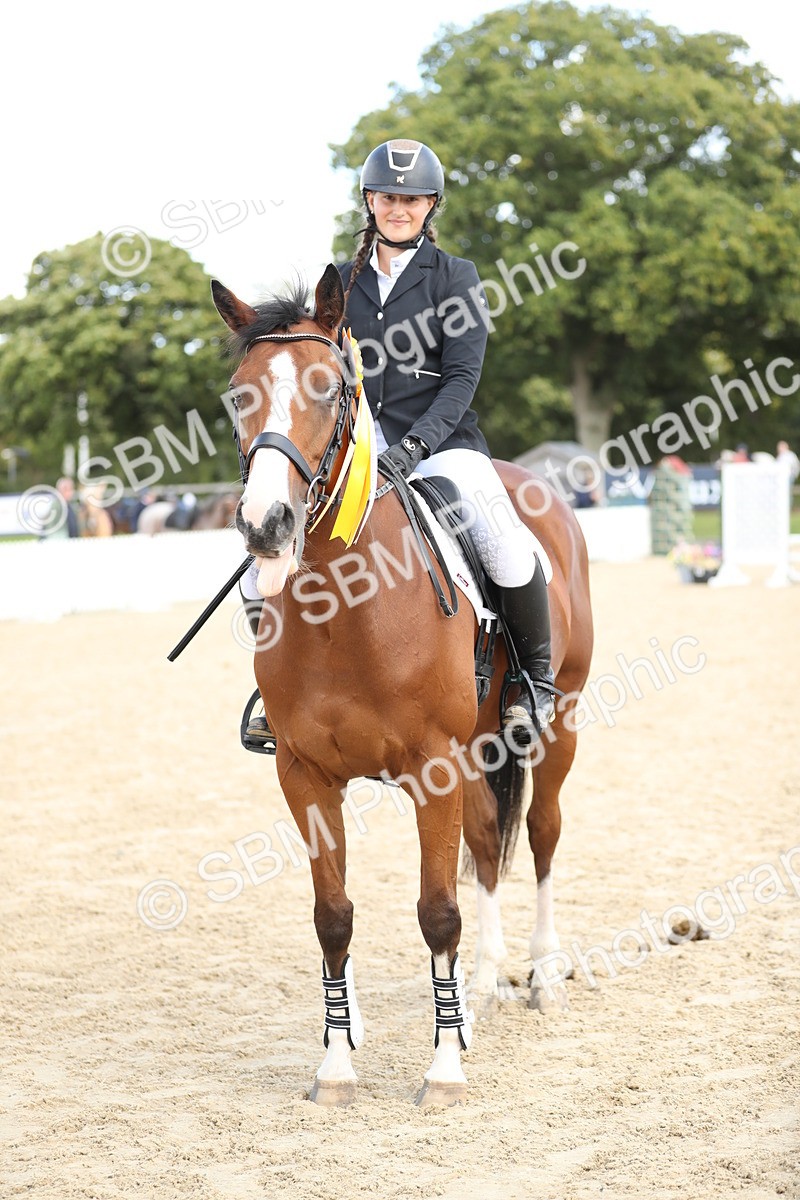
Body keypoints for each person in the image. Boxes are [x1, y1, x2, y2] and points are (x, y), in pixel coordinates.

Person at [244, 138, 556, 750]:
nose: (399, 208)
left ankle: (532, 683)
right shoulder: (339, 284)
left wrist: (415, 447)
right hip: (358, 450)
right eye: (389, 197)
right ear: (370, 200)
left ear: (430, 205)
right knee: (266, 554)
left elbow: (462, 379)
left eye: (411, 199)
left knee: (506, 542)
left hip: (444, 445)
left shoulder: (456, 278)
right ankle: (272, 690)